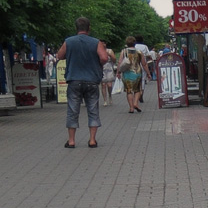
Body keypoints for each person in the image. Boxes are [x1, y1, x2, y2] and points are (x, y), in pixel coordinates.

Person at [55, 16, 112, 149]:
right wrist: (98, 64)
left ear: (76, 28)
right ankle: (92, 140)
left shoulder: (68, 41)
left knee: (73, 110)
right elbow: (104, 57)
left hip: (74, 79)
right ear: (89, 28)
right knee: (93, 108)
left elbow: (59, 56)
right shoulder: (96, 42)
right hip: (92, 80)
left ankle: (71, 141)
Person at [117, 37, 145, 114]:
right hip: (137, 72)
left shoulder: (124, 51)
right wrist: (148, 73)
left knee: (129, 91)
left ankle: (131, 108)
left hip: (127, 73)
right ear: (134, 43)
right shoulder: (139, 52)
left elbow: (120, 62)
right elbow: (144, 63)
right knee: (137, 89)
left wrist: (118, 72)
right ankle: (136, 103)